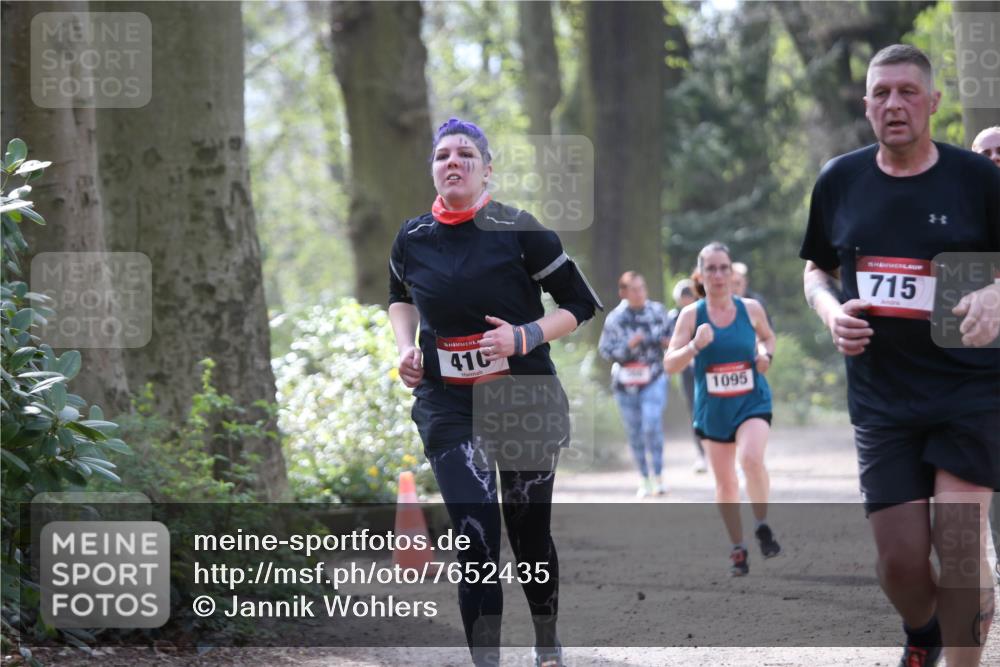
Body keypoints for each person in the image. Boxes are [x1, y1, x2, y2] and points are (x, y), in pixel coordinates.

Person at [800, 45, 1000, 667]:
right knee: (899, 564)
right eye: (882, 93)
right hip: (882, 398)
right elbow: (817, 270)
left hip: (970, 389)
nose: (894, 104)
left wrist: (996, 291)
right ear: (866, 105)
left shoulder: (978, 179)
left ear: (933, 102)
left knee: (960, 545)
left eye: (908, 92)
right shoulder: (840, 180)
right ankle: (923, 630)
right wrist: (830, 311)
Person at [388, 118, 602, 667]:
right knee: (475, 539)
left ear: (487, 170)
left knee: (529, 536)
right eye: (442, 155)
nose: (453, 162)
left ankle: (546, 638)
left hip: (523, 399)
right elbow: (399, 296)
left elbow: (580, 303)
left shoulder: (521, 230)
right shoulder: (412, 238)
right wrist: (406, 349)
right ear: (433, 169)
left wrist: (524, 336)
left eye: (465, 154)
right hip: (448, 405)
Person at [664, 241, 781, 576]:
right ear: (700, 275)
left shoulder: (751, 309)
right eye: (711, 269)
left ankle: (761, 524)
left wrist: (766, 354)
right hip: (714, 408)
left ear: (731, 273)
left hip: (752, 399)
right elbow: (670, 364)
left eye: (723, 268)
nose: (718, 275)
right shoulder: (691, 315)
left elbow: (768, 338)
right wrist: (694, 346)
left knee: (751, 459)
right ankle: (738, 547)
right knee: (726, 483)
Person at [598, 272, 672, 497]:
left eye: (642, 288)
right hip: (625, 383)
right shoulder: (615, 318)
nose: (640, 293)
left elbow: (674, 339)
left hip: (654, 377)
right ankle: (644, 478)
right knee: (634, 432)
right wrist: (629, 345)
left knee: (651, 424)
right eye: (634, 289)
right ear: (623, 293)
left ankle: (659, 476)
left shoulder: (658, 312)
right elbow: (605, 350)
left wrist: (666, 343)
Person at [665, 278, 707, 473]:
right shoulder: (674, 317)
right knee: (694, 410)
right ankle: (701, 453)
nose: (686, 301)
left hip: (707, 368)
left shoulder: (704, 313)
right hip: (687, 371)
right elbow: (668, 341)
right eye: (683, 298)